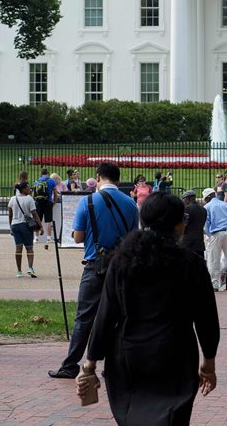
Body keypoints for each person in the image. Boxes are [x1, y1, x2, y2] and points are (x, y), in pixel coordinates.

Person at [78, 193, 219, 426]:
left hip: (127, 358)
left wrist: (90, 360)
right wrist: (209, 359)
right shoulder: (189, 262)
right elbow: (206, 316)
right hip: (174, 356)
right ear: (176, 224)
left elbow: (104, 313)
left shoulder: (121, 260)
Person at [49, 162, 139, 379]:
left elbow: (78, 236)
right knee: (118, 317)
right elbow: (134, 237)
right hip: (121, 267)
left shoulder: (87, 201)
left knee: (84, 318)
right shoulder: (130, 203)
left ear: (98, 177)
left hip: (94, 266)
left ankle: (71, 365)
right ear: (118, 179)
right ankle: (114, 366)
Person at [203, 187, 227, 290]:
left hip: (216, 233)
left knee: (214, 260)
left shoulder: (207, 207)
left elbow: (206, 225)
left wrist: (210, 236)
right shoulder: (226, 205)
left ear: (208, 197)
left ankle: (215, 285)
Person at [7, 181, 42, 277]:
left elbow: (10, 214)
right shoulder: (29, 199)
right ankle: (30, 268)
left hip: (15, 225)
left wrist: (10, 226)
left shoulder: (13, 199)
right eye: (28, 188)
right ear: (23, 189)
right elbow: (34, 214)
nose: (29, 189)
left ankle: (19, 271)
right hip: (26, 225)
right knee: (29, 248)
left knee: (18, 248)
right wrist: (40, 226)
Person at [33, 168, 58, 247]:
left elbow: (34, 194)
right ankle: (48, 238)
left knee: (37, 219)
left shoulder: (36, 181)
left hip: (38, 202)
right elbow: (55, 192)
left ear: (41, 173)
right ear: (48, 173)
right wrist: (54, 201)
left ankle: (36, 238)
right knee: (48, 221)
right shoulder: (51, 181)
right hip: (48, 201)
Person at [179, 189, 207, 255]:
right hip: (199, 243)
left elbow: (184, 224)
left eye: (184, 199)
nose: (183, 201)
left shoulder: (186, 209)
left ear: (188, 199)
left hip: (187, 243)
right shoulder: (204, 210)